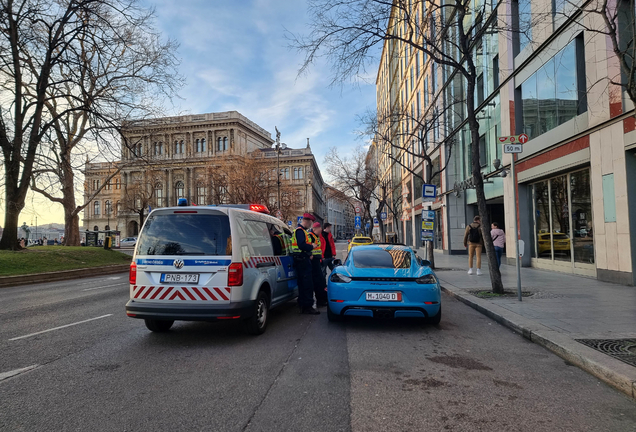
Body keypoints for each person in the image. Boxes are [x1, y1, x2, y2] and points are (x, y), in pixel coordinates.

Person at [291, 213, 320, 315]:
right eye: (311, 223)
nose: (311, 226)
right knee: (307, 283)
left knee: (303, 283)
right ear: (307, 222)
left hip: (302, 258)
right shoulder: (300, 231)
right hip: (302, 260)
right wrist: (311, 247)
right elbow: (302, 245)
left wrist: (309, 253)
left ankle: (303, 305)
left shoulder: (300, 231)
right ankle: (307, 306)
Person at [309, 222, 328, 307]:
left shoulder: (316, 236)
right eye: (319, 228)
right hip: (313, 262)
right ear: (314, 229)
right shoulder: (310, 236)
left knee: (320, 281)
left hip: (317, 260)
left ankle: (321, 299)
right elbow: (307, 246)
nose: (321, 230)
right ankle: (320, 300)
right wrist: (311, 255)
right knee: (318, 281)